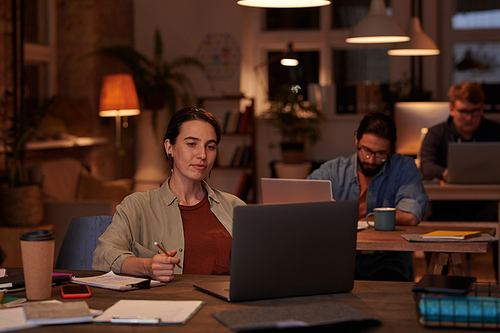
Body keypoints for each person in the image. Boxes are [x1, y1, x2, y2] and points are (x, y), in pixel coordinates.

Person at [93, 107, 246, 282]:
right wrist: (146, 266)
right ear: (169, 147)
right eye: (191, 144)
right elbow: (103, 255)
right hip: (169, 304)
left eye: (210, 147)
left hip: (225, 304)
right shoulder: (137, 206)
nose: (202, 154)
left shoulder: (235, 206)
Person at [308, 112, 428, 281]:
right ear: (357, 138)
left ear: (391, 149)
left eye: (381, 154)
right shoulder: (332, 170)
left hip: (386, 261)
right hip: (336, 259)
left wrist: (362, 217)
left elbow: (410, 216)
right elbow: (303, 201)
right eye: (366, 151)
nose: (371, 160)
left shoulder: (404, 168)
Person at [420, 82, 500, 221]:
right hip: (446, 204)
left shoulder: (496, 132)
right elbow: (426, 166)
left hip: (489, 203)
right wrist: (446, 174)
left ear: (482, 109)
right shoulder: (436, 133)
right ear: (451, 109)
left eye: (474, 111)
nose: (469, 117)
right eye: (463, 111)